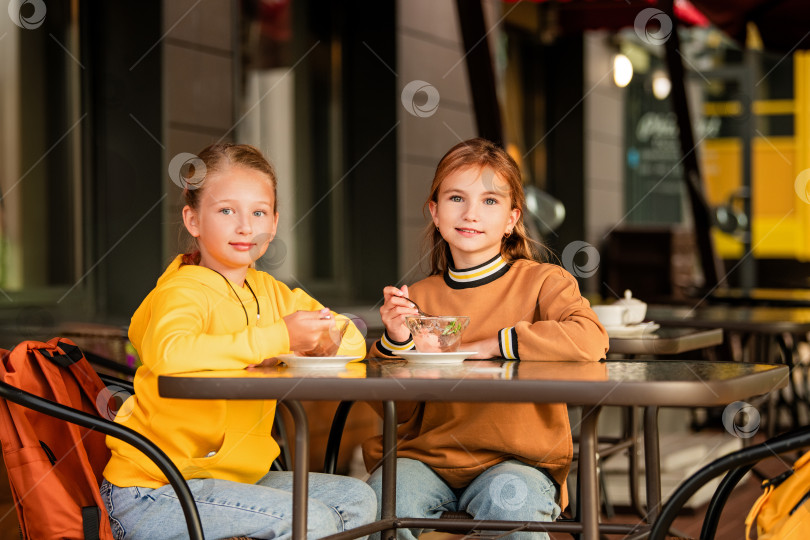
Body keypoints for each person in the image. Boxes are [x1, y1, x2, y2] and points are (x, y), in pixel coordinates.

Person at [101, 143, 376, 539]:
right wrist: (280, 337)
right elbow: (170, 353)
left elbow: (349, 339)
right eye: (226, 210)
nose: (245, 226)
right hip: (156, 490)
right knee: (312, 521)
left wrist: (307, 343)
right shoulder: (181, 291)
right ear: (192, 219)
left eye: (258, 212)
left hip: (235, 479)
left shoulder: (271, 291)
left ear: (274, 223)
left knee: (356, 500)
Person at [364, 138, 609, 539]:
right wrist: (397, 342)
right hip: (424, 458)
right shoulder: (418, 297)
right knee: (382, 502)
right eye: (456, 198)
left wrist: (492, 346)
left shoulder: (542, 281)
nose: (471, 213)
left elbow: (591, 339)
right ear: (435, 212)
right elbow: (400, 411)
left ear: (512, 218)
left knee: (510, 501)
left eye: (490, 201)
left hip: (519, 459)